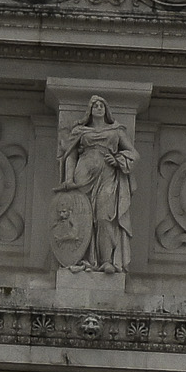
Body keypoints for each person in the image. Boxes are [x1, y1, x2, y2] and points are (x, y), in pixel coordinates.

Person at [59, 94, 135, 275]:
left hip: (108, 175)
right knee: (81, 217)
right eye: (95, 105)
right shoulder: (80, 131)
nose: (99, 107)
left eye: (102, 105)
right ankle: (79, 258)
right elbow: (70, 154)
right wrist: (68, 179)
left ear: (106, 109)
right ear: (90, 110)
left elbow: (133, 154)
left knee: (104, 217)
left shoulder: (116, 131)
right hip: (83, 175)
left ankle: (106, 260)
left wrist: (118, 160)